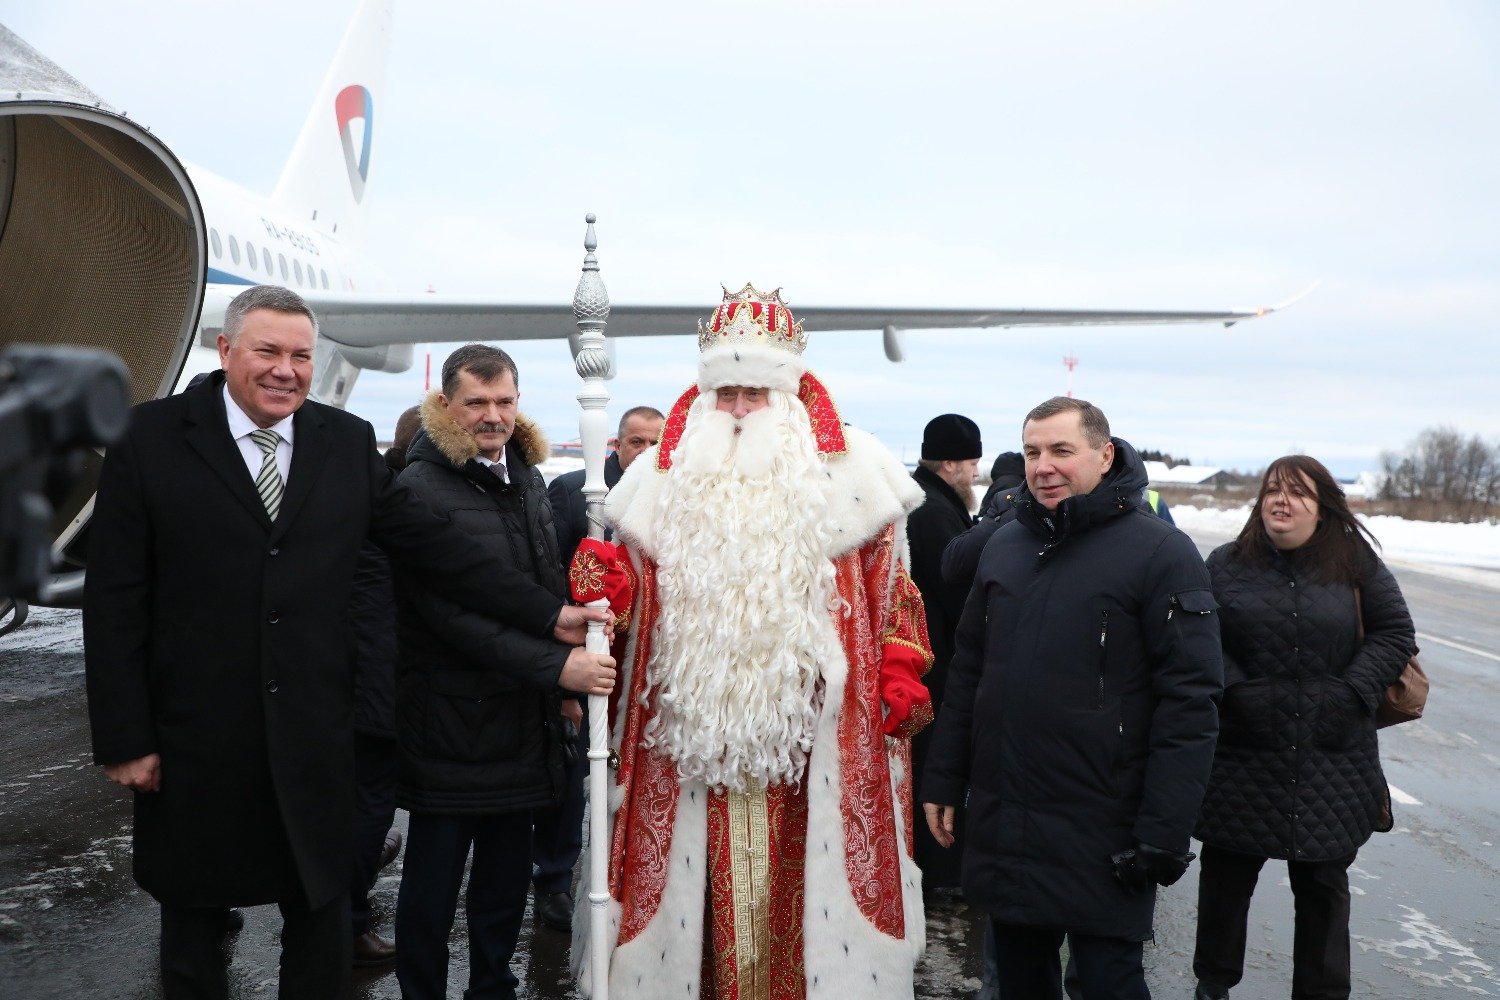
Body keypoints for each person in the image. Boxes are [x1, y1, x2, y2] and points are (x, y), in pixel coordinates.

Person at [83, 285, 609, 1000]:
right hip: (195, 736)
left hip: (314, 732)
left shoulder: (341, 440)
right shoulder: (148, 438)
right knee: (196, 925)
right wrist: (124, 735)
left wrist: (550, 617)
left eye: (300, 355)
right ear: (226, 350)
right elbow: (115, 599)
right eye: (267, 352)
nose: (285, 370)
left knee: (322, 917)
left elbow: (437, 550)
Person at [572, 284, 935, 999]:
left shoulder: (856, 474)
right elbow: (630, 608)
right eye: (727, 391)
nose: (738, 408)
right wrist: (610, 591)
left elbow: (897, 594)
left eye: (755, 393)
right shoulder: (657, 481)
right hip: (687, 745)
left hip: (813, 744)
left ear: (792, 394)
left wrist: (900, 665)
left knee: (811, 903)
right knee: (686, 910)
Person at [922, 396, 1223, 1000]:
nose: (1043, 467)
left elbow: (1190, 702)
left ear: (1104, 454)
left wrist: (1165, 829)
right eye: (1033, 452)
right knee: (1020, 984)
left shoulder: (1161, 552)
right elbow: (969, 676)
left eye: (1062, 450)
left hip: (1105, 825)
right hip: (1009, 817)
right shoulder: (1004, 547)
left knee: (1109, 983)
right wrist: (944, 780)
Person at [391, 343, 614, 1000]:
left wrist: (558, 688)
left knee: (503, 882)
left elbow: (541, 586)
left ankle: (493, 988)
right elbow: (445, 618)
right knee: (434, 885)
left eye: (505, 402)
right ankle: (423, 992)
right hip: (451, 720)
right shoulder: (421, 489)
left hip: (521, 715)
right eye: (477, 403)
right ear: (445, 405)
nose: (493, 416)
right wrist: (559, 667)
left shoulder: (526, 479)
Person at [1191, 456, 1415, 1000]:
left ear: (1323, 506)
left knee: (1322, 887)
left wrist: (1349, 693)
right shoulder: (1224, 564)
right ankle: (1213, 987)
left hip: (1331, 752)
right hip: (1245, 750)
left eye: (1298, 493)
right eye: (1272, 490)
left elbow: (1394, 633)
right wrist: (1239, 690)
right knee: (1226, 881)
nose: (1281, 501)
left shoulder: (1354, 561)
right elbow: (1200, 637)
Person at [529, 403, 664, 935]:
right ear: (616, 444)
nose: (647, 454)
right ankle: (554, 879)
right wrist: (562, 673)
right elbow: (551, 575)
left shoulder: (670, 496)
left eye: (657, 444)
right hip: (584, 658)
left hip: (642, 663)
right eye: (636, 443)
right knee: (573, 774)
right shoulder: (576, 493)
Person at [345, 403, 422, 967]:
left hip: (359, 677)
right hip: (377, 680)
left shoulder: (362, 499)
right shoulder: (399, 513)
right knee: (366, 804)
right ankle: (348, 924)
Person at [906, 413, 982, 891]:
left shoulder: (931, 502)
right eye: (972, 462)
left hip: (928, 659)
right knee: (935, 766)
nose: (976, 473)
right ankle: (938, 872)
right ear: (951, 462)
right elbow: (956, 592)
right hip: (934, 662)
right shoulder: (934, 511)